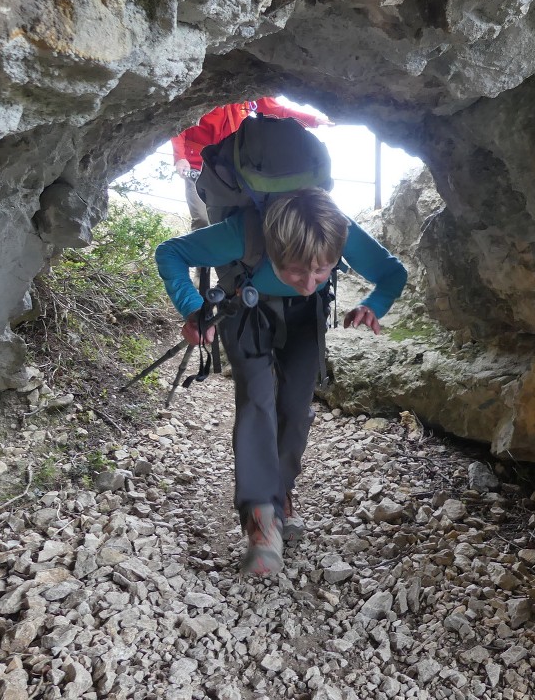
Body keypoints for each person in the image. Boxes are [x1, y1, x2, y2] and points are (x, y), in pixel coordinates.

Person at [155, 187, 407, 576]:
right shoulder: (244, 233)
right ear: (273, 247)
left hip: (306, 316)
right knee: (257, 403)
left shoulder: (338, 230)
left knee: (294, 405)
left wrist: (373, 306)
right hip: (245, 309)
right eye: (294, 270)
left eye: (321, 270)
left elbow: (392, 273)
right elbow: (170, 252)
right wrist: (194, 308)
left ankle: (279, 492)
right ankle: (261, 521)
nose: (308, 280)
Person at [171, 98, 331, 229]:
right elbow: (178, 123)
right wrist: (180, 157)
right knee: (203, 221)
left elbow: (277, 110)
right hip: (197, 165)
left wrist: (314, 120)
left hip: (235, 168)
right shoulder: (205, 92)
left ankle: (237, 265)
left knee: (240, 221)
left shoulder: (245, 92)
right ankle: (202, 268)